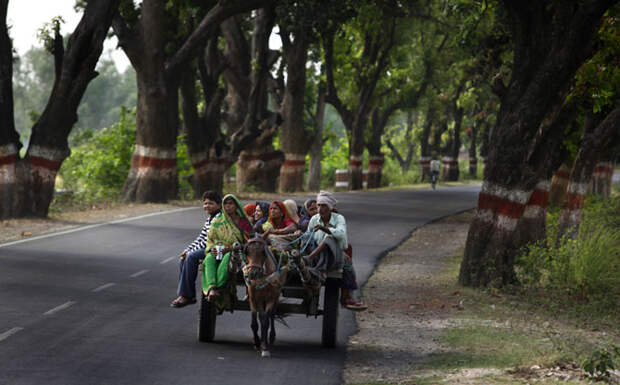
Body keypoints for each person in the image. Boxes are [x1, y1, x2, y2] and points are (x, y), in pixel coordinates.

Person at [304, 191, 367, 311]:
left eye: (324, 206)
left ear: (330, 207)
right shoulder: (314, 219)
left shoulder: (339, 218)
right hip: (318, 254)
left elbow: (341, 233)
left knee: (347, 266)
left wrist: (325, 228)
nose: (321, 209)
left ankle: (347, 297)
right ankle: (309, 259)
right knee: (306, 238)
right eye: (319, 205)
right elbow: (308, 237)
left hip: (335, 254)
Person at [171, 191, 221, 308]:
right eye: (205, 203)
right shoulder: (210, 219)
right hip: (206, 246)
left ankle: (186, 295)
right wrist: (187, 250)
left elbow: (207, 242)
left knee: (191, 257)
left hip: (214, 248)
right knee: (184, 258)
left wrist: (190, 252)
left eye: (211, 203)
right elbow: (201, 238)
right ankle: (188, 295)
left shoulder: (219, 219)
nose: (207, 206)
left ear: (219, 205)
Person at [201, 194, 252, 301]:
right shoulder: (218, 220)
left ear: (236, 206)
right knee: (209, 258)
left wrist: (230, 249)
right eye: (225, 204)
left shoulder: (244, 222)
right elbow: (210, 239)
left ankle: (218, 287)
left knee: (228, 257)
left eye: (231, 204)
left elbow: (250, 243)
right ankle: (211, 288)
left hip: (237, 253)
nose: (228, 206)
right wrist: (212, 249)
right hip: (217, 250)